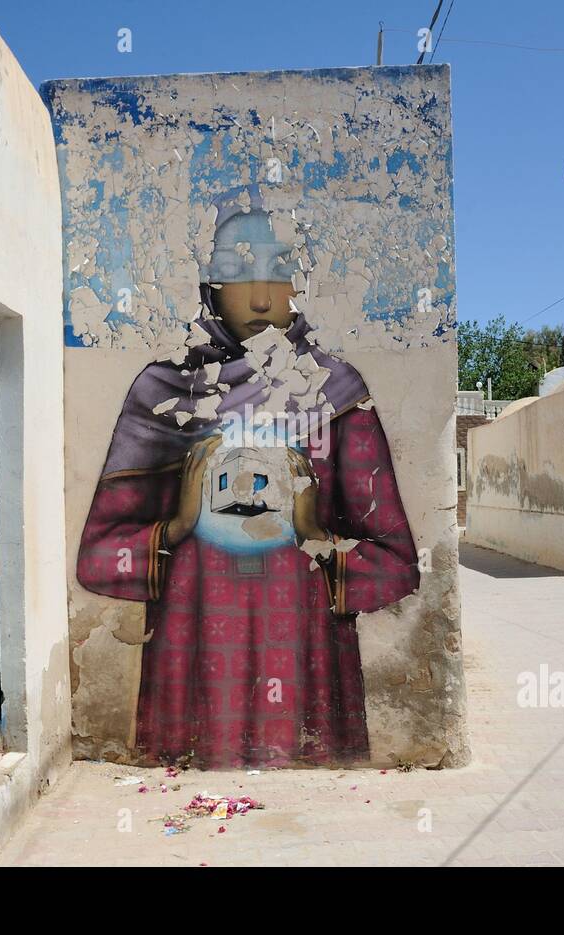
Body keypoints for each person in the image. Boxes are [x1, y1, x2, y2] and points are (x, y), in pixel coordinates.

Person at [75, 186, 419, 767]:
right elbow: (98, 558)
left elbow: (396, 563)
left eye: (280, 270)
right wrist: (179, 526)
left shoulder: (335, 393)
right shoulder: (162, 393)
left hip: (306, 653)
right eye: (237, 271)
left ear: (300, 283)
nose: (261, 296)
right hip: (192, 653)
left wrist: (314, 534)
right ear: (210, 285)